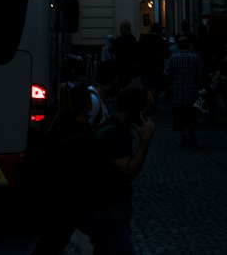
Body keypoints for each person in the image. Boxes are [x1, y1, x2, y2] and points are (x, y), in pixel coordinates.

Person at [25, 81, 97, 255]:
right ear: (86, 106)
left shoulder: (58, 125)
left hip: (56, 198)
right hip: (67, 200)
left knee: (52, 240)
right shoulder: (79, 135)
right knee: (54, 241)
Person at [88, 84, 155, 255]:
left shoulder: (114, 127)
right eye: (146, 110)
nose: (148, 117)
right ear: (136, 109)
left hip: (105, 210)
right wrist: (145, 141)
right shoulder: (114, 134)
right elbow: (126, 172)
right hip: (108, 212)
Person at [163, 35, 206, 146]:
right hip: (192, 91)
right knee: (191, 115)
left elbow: (166, 74)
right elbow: (201, 74)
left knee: (179, 116)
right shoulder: (195, 57)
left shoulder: (174, 58)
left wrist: (167, 87)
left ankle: (184, 136)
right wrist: (201, 87)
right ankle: (191, 130)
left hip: (178, 92)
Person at [133, 24, 168, 103]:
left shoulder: (143, 39)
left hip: (145, 67)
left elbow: (137, 52)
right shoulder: (161, 41)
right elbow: (166, 53)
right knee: (155, 87)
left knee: (146, 86)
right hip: (157, 68)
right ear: (158, 31)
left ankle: (146, 103)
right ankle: (153, 103)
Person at [109, 22, 137, 88]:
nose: (120, 30)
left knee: (121, 83)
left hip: (121, 65)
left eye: (121, 28)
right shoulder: (132, 39)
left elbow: (114, 50)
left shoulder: (120, 39)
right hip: (128, 65)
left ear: (125, 28)